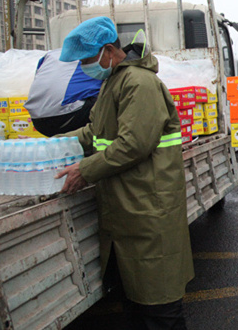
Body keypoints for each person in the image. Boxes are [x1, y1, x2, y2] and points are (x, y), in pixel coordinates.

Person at [56, 17, 194, 329]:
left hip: (150, 212)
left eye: (87, 59)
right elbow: (96, 131)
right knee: (137, 308)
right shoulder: (113, 82)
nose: (84, 67)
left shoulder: (138, 82)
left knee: (161, 311)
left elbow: (134, 143)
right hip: (131, 210)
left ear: (108, 51)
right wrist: (55, 147)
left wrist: (85, 169)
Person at [24, 48, 103, 137]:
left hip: (36, 119)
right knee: (109, 100)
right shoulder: (97, 55)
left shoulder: (51, 54)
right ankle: (102, 146)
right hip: (66, 117)